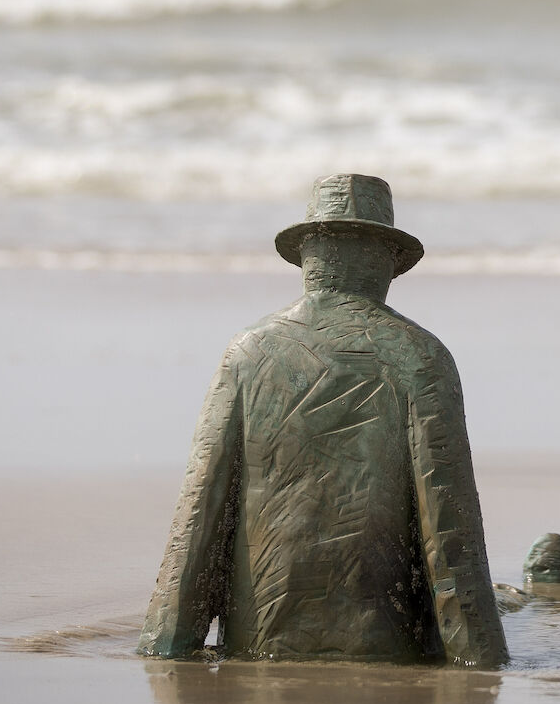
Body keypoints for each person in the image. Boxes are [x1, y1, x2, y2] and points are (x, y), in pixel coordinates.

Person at [138, 173, 508, 667]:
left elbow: (198, 517)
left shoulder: (247, 352)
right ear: (388, 260)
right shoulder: (420, 356)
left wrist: (167, 644)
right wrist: (480, 660)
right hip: (384, 649)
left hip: (256, 644)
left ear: (309, 254)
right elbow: (449, 532)